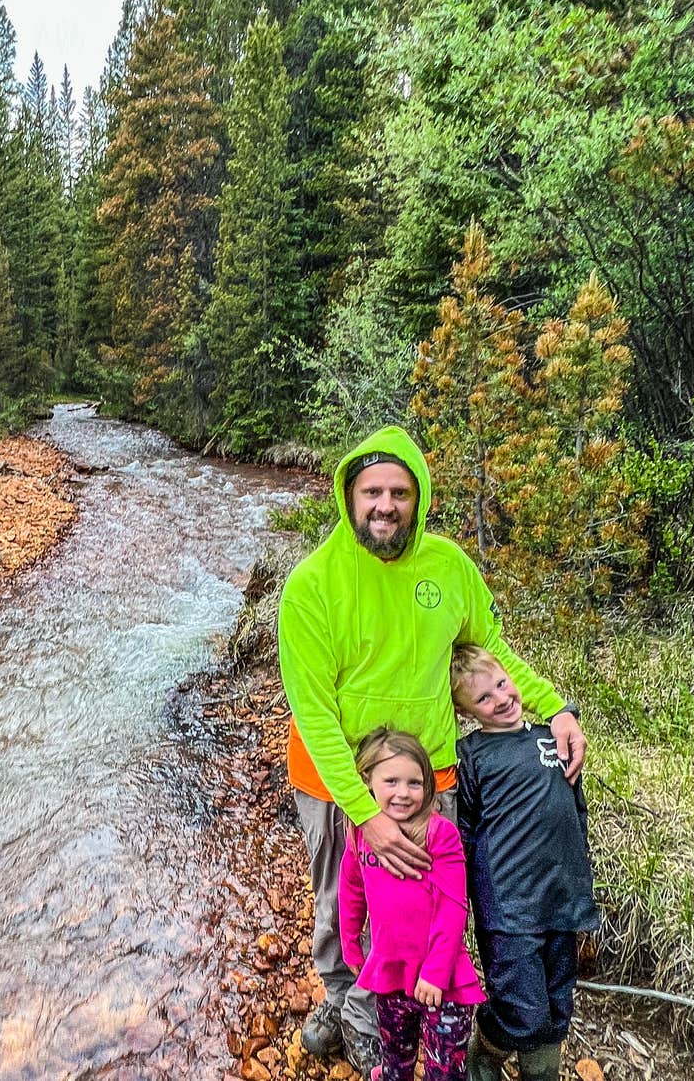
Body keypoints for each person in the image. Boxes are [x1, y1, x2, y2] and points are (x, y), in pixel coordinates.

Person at [277, 426, 584, 1072]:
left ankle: (417, 1003)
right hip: (334, 783)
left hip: (430, 776)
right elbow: (315, 713)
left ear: (418, 499)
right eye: (370, 492)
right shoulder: (312, 585)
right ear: (347, 497)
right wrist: (365, 813)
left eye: (398, 492)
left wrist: (552, 704)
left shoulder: (449, 567)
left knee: (427, 900)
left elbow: (490, 650)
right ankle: (349, 1004)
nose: (384, 505)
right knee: (343, 898)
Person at [451, 644, 599, 1081]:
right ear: (465, 711)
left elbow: (576, 812)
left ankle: (541, 1072)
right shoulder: (471, 755)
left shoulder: (549, 737)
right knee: (522, 1003)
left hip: (561, 897)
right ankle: (486, 1051)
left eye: (501, 684)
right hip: (509, 909)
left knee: (558, 998)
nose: (500, 698)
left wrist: (582, 889)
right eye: (483, 698)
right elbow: (463, 833)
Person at [338, 728, 484, 1081]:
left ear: (428, 786)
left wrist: (435, 972)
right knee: (395, 1060)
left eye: (414, 783)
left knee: (445, 1070)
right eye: (391, 781)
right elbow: (350, 889)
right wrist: (351, 946)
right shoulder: (362, 833)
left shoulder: (440, 834)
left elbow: (453, 907)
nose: (403, 793)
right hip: (390, 975)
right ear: (367, 781)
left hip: (443, 983)